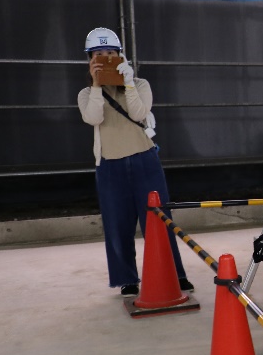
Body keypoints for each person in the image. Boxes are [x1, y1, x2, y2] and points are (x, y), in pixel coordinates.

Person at [77, 27, 192, 296]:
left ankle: (176, 274)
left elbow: (139, 112)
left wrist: (127, 82)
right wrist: (96, 85)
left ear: (121, 56)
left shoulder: (140, 85)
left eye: (110, 53)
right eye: (98, 54)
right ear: (89, 60)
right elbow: (93, 118)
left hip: (145, 160)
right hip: (110, 165)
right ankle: (127, 279)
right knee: (117, 225)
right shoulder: (86, 93)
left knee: (160, 220)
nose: (105, 58)